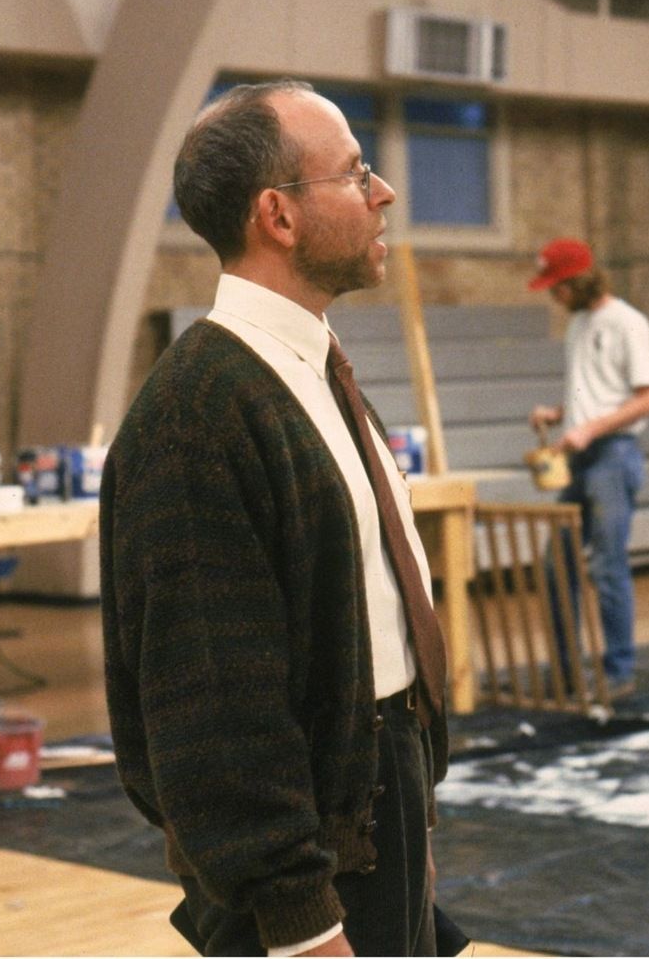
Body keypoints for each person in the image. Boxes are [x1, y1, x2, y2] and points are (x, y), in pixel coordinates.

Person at [100, 80, 459, 957]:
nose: (384, 192)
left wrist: (412, 820)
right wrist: (300, 923)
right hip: (305, 887)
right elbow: (213, 706)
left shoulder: (307, 368)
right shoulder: (198, 414)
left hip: (374, 814)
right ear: (279, 216)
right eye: (356, 173)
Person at [527, 238, 649, 695]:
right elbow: (596, 393)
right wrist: (561, 414)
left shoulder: (627, 322)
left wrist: (590, 429)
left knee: (607, 566)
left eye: (559, 287)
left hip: (613, 454)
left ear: (580, 280)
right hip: (583, 454)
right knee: (556, 565)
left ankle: (619, 670)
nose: (555, 297)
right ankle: (567, 671)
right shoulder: (578, 324)